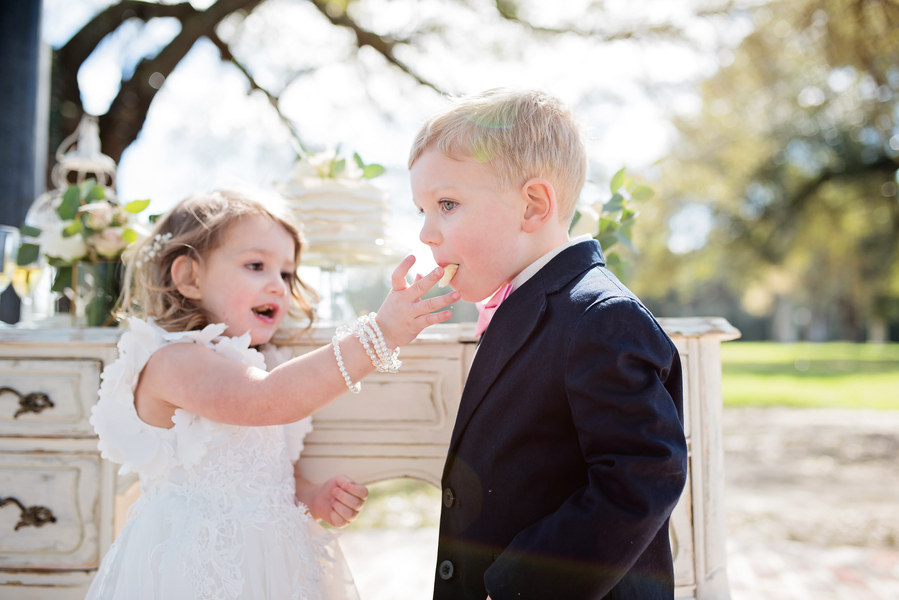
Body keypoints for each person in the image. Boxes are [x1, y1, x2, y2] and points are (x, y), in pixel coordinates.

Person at [84, 189, 459, 600]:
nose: (278, 286)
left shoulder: (260, 362)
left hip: (272, 559)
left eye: (286, 273)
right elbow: (268, 401)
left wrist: (312, 497)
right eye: (256, 265)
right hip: (198, 567)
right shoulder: (173, 361)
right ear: (190, 277)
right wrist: (379, 335)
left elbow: (269, 471)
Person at [409, 89, 689, 600]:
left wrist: (519, 585)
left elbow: (642, 477)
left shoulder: (600, 317)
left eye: (446, 204)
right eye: (422, 209)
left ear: (533, 205)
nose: (427, 233)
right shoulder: (525, 305)